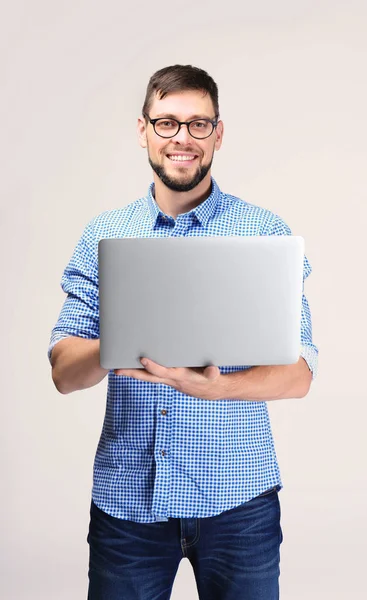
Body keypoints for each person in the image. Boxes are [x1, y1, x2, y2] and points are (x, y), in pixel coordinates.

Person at [48, 64, 318, 600]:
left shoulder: (263, 233)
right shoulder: (104, 234)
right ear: (144, 129)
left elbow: (299, 373)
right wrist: (119, 341)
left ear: (218, 133)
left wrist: (220, 387)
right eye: (167, 122)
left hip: (239, 505)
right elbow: (63, 371)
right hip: (128, 509)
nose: (182, 139)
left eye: (198, 125)